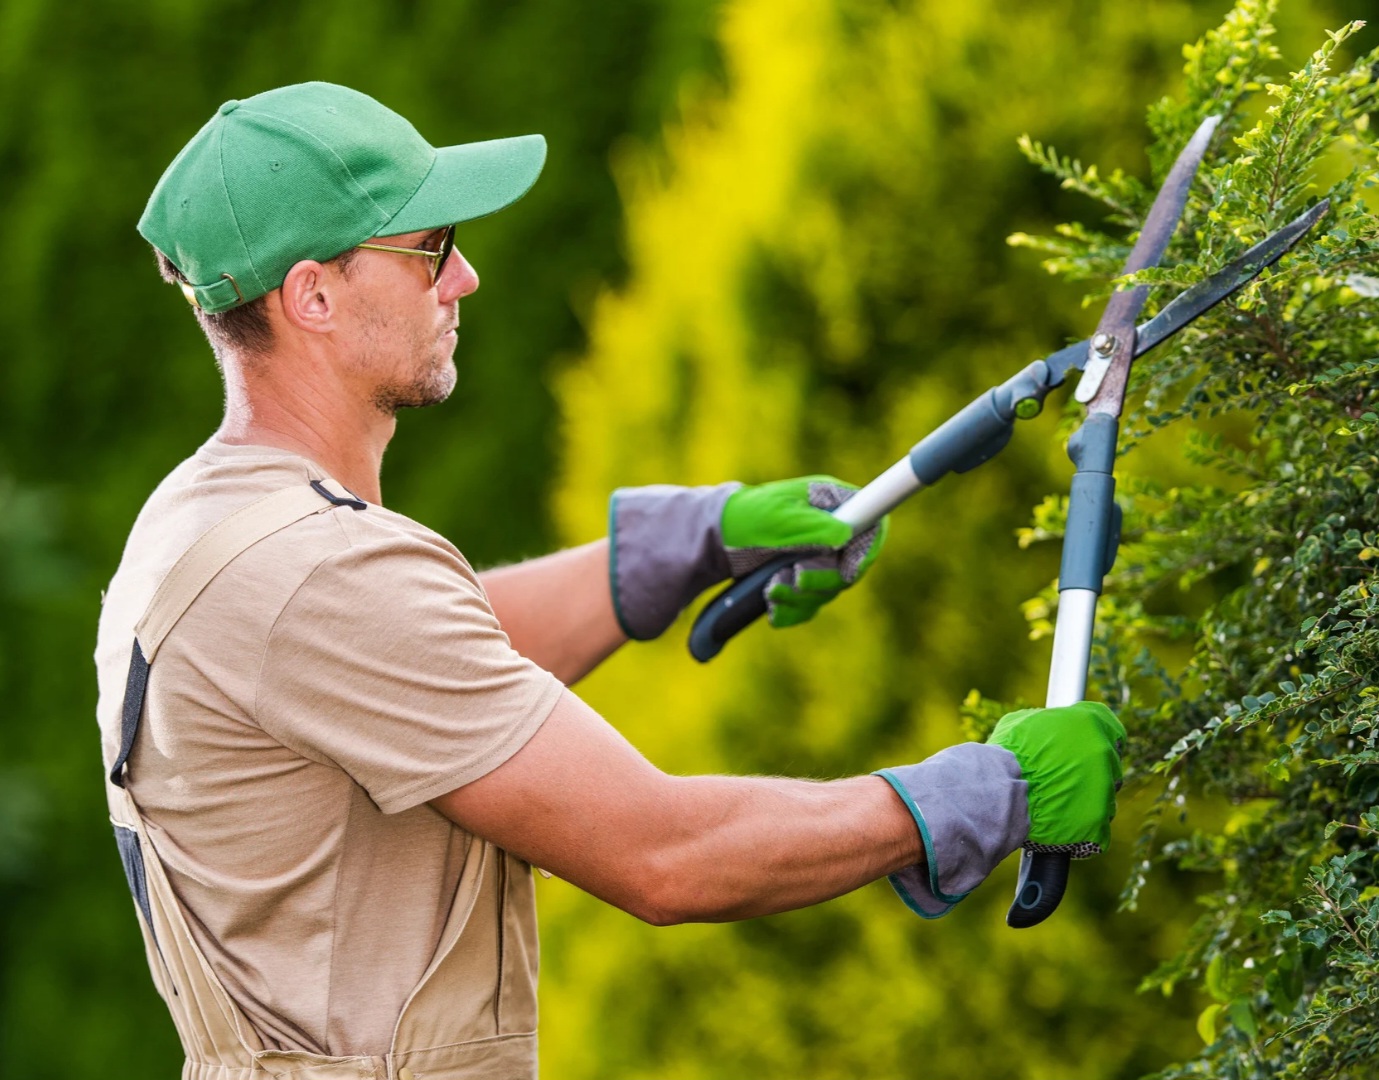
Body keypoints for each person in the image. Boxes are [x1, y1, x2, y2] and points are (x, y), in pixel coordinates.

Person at [95, 82, 1125, 1080]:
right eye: (428, 250)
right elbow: (666, 854)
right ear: (312, 295)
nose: (464, 280)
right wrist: (982, 794)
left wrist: (687, 544)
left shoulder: (207, 526)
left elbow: (425, 663)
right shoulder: (316, 574)